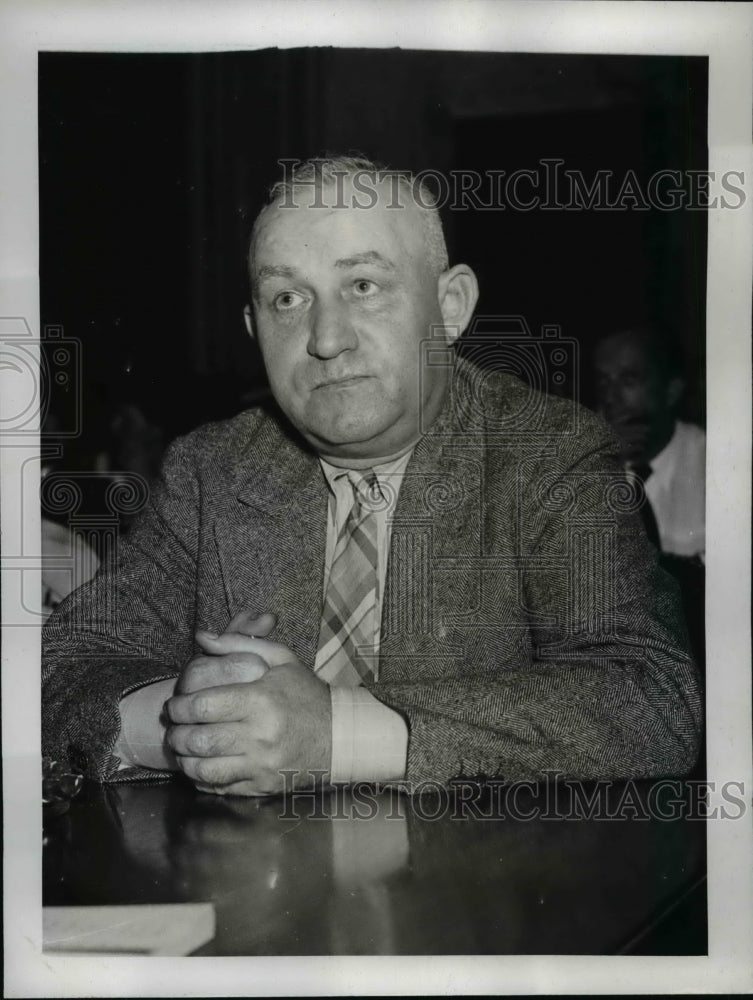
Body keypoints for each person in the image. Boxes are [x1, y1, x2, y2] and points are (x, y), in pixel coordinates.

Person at [43, 156, 702, 797]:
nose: (326, 338)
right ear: (252, 328)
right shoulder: (211, 469)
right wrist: (202, 728)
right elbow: (58, 666)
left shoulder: (551, 455)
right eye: (286, 298)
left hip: (480, 895)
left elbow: (648, 701)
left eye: (362, 285)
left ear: (449, 306)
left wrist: (338, 735)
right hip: (265, 893)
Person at [591, 327, 705, 560]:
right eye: (603, 382)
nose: (610, 398)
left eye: (628, 380)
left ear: (671, 391)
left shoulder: (716, 464)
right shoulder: (583, 465)